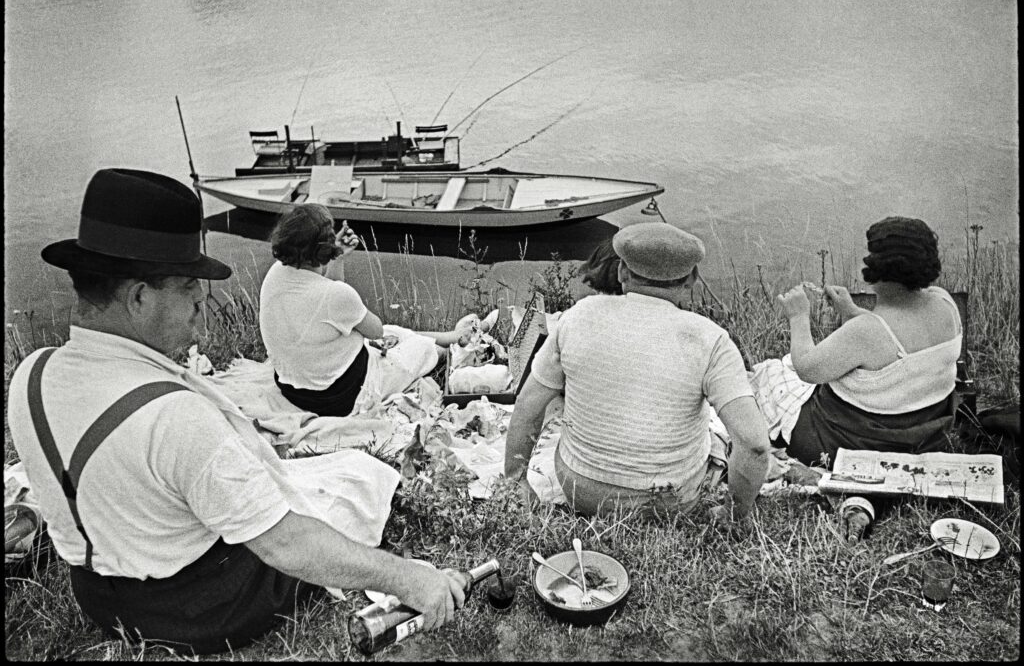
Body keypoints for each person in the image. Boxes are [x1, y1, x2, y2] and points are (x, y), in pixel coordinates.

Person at [6, 169, 465, 654]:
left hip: (97, 597)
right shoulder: (175, 417)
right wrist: (410, 580)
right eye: (191, 292)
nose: (201, 314)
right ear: (139, 297)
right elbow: (286, 545)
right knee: (354, 481)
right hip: (197, 607)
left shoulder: (31, 375)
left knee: (325, 474)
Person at [504, 223, 771, 524]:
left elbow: (528, 404)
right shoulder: (712, 339)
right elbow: (755, 445)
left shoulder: (578, 316)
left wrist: (516, 481)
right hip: (668, 502)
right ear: (692, 279)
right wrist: (734, 514)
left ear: (622, 273)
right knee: (715, 437)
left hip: (579, 489)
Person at [776, 216, 961, 469]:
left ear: (878, 267)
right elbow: (893, 340)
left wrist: (798, 316)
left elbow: (807, 369)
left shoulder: (865, 332)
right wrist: (850, 310)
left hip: (855, 440)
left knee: (772, 377)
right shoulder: (944, 304)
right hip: (923, 431)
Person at [259, 204, 472, 417]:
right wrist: (334, 255)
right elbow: (376, 331)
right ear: (324, 247)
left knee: (393, 332)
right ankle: (447, 349)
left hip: (294, 390)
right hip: (341, 396)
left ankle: (451, 337)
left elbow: (328, 301)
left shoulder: (276, 274)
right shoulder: (337, 296)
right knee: (410, 346)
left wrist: (337, 257)